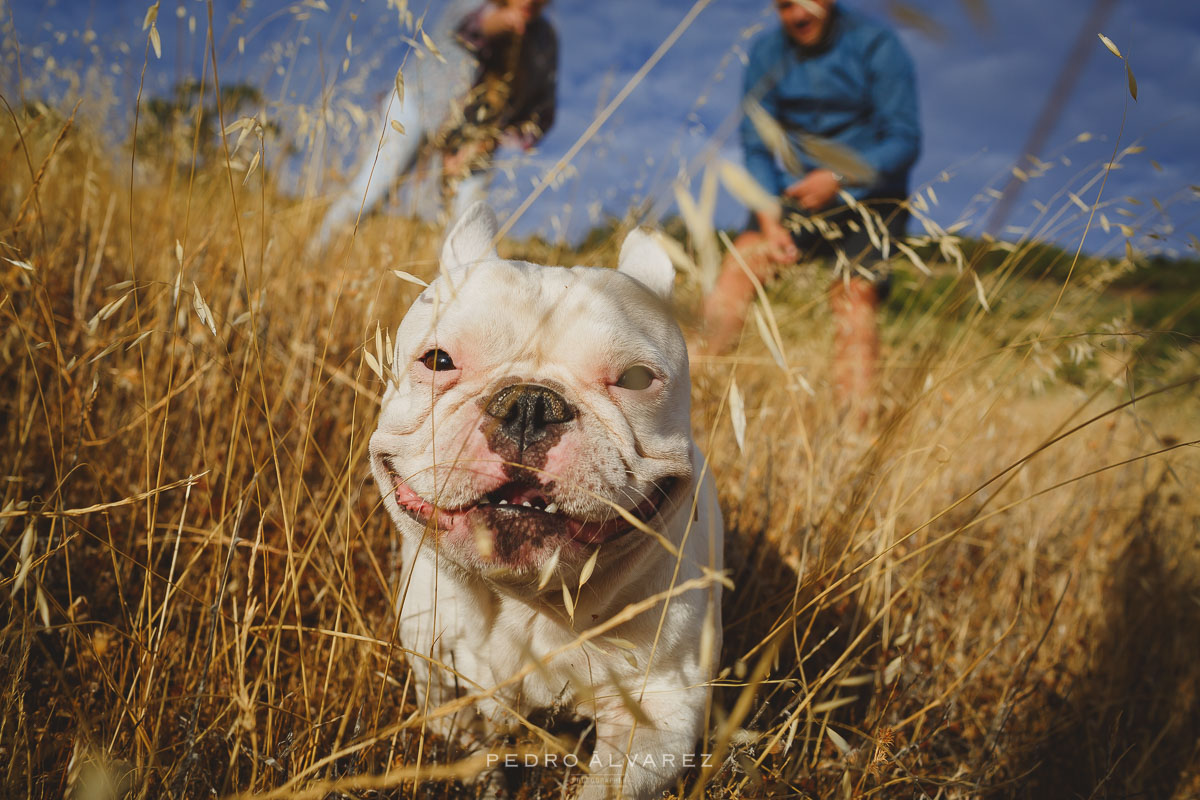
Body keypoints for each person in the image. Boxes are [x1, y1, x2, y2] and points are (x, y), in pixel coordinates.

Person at [700, 0, 920, 421]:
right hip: (797, 195)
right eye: (783, 6)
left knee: (855, 296)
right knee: (737, 270)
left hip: (871, 196)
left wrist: (839, 177)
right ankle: (690, 398)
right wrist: (769, 214)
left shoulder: (877, 44)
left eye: (805, 3)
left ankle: (853, 427)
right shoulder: (766, 52)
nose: (797, 15)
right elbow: (755, 144)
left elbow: (903, 139)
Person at [317, 0, 557, 245]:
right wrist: (505, 22)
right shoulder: (474, 4)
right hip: (417, 105)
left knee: (468, 217)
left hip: (479, 136)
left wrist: (485, 142)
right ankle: (316, 253)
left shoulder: (545, 41)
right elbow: (474, 27)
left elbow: (541, 108)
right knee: (371, 191)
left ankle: (453, 281)